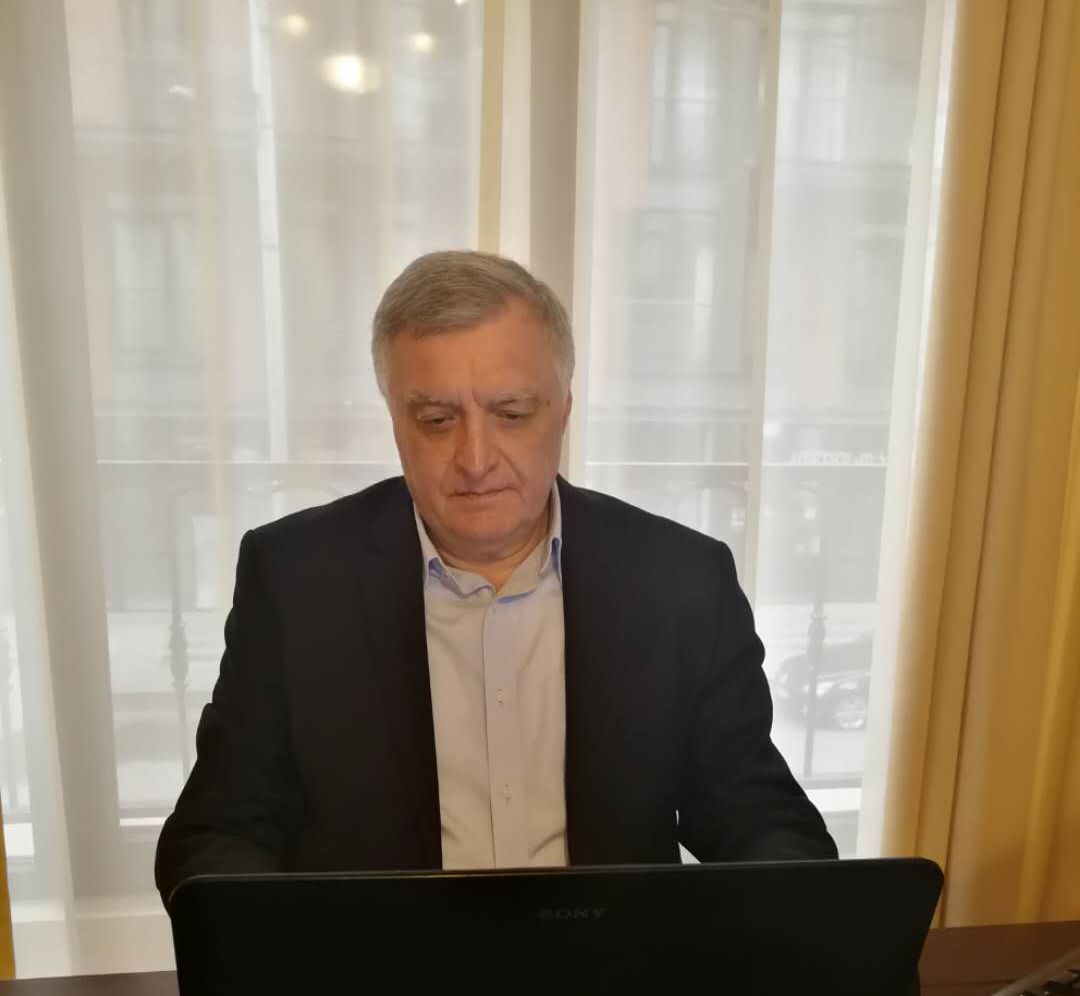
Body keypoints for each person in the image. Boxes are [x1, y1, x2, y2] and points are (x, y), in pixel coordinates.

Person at [155, 251, 835, 902]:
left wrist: (805, 925)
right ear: (395, 422)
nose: (476, 460)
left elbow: (751, 813)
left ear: (563, 410)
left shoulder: (680, 581)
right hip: (378, 968)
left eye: (511, 415)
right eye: (436, 420)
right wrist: (272, 948)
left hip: (610, 969)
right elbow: (222, 830)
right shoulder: (296, 580)